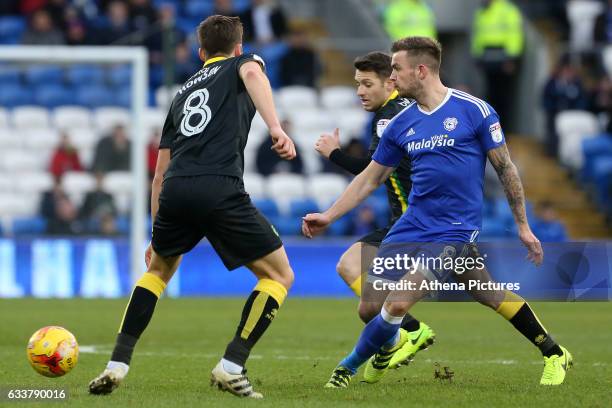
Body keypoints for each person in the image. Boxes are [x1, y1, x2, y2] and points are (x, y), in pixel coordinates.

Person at [303, 37, 572, 387]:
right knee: (374, 307)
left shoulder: (473, 110)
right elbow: (370, 179)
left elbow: (505, 168)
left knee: (397, 304)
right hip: (411, 226)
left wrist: (523, 225)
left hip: (455, 230)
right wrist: (329, 215)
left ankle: (345, 369)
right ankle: (554, 351)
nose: (393, 77)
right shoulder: (400, 124)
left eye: (397, 68)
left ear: (421, 70)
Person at [89, 15, 297, 399]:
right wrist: (276, 128)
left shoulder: (181, 94)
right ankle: (231, 365)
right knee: (279, 276)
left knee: (157, 271)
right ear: (237, 47)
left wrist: (156, 230)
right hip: (219, 186)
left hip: (175, 190)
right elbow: (253, 75)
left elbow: (158, 174)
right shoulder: (243, 63)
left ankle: (116, 363)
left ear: (201, 52)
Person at [314, 51, 434, 372]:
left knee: (350, 267)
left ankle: (408, 330)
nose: (360, 92)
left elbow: (370, 170)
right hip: (417, 219)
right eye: (357, 84)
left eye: (367, 84)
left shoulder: (386, 117)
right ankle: (399, 335)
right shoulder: (411, 107)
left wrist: (334, 154)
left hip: (412, 223)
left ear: (389, 82)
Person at [471, 0, 524, 128]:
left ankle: (504, 128)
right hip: (487, 58)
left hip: (503, 58)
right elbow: (478, 35)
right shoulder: (481, 11)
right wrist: (477, 56)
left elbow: (514, 35)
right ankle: (491, 127)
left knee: (503, 96)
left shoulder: (507, 10)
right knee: (490, 94)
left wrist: (511, 58)